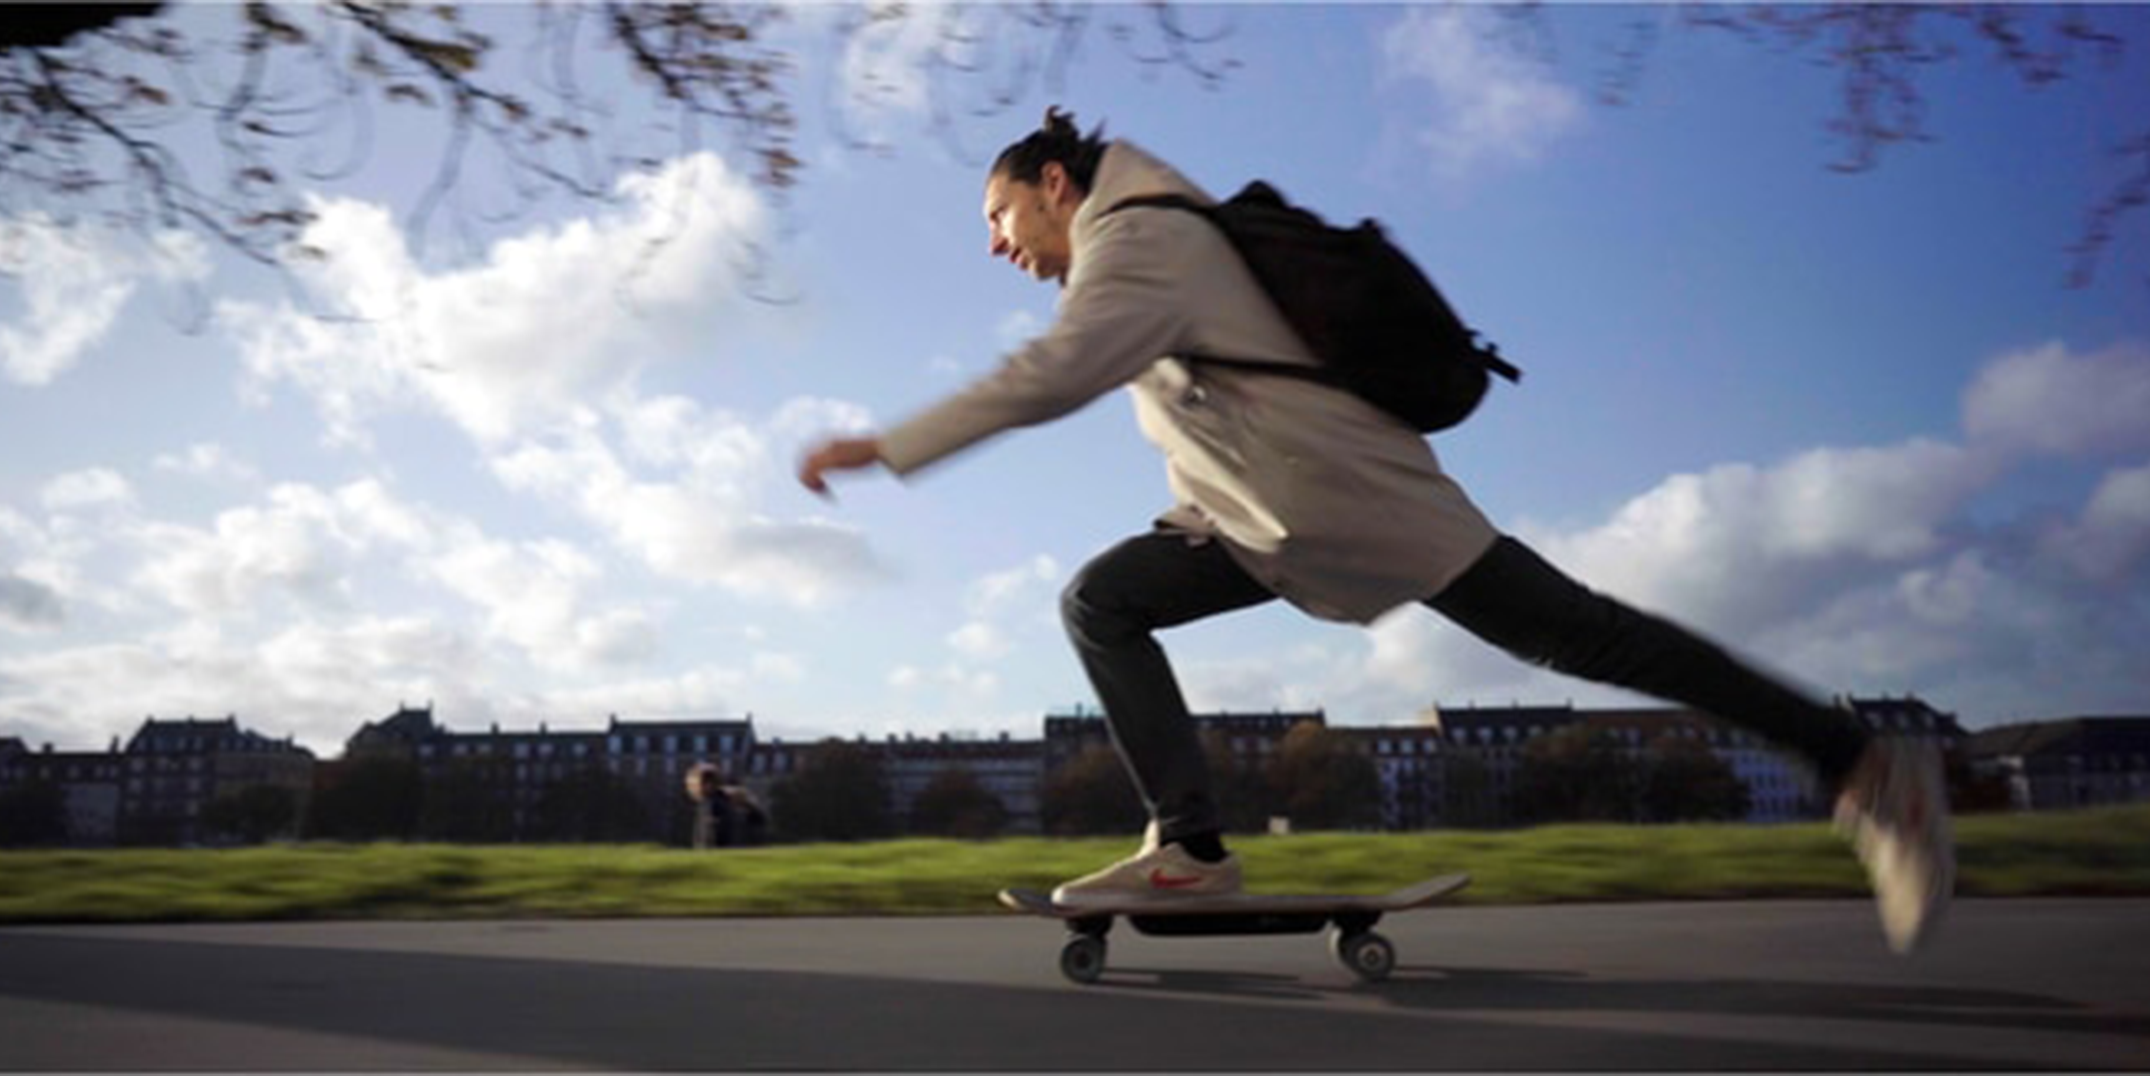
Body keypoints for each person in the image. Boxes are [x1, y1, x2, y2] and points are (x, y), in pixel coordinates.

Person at [797, 108, 1954, 954]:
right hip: (1264, 521)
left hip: (1359, 508)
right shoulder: (1152, 240)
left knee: (1590, 640)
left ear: (1055, 183)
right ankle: (1188, 849)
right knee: (1104, 597)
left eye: (998, 216)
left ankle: (1860, 762)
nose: (996, 245)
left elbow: (1050, 376)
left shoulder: (1137, 241)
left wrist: (889, 444)